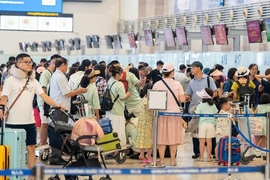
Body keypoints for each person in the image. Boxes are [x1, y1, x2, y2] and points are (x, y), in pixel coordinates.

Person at [0, 53, 66, 170]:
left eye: (30, 62)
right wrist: (1, 108)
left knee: (31, 148)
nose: (29, 64)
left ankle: (31, 176)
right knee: (14, 150)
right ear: (18, 63)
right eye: (26, 62)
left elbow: (44, 96)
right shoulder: (10, 81)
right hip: (13, 122)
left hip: (29, 121)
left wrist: (57, 105)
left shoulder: (33, 81)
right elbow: (4, 97)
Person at [49, 57, 88, 165]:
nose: (67, 68)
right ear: (62, 65)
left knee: (59, 133)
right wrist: (79, 91)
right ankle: (55, 157)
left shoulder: (55, 75)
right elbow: (67, 93)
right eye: (66, 65)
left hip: (59, 107)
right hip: (60, 108)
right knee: (59, 133)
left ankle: (57, 155)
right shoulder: (60, 77)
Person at [153, 62, 186, 166]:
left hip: (161, 114)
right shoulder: (177, 84)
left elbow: (152, 100)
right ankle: (172, 160)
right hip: (174, 114)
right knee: (173, 137)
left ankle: (162, 160)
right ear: (172, 73)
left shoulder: (157, 84)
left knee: (161, 138)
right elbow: (182, 99)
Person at [186, 61, 217, 159]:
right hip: (195, 108)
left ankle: (212, 152)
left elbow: (215, 92)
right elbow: (189, 94)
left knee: (209, 130)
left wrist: (208, 99)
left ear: (198, 68)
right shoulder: (191, 82)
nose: (191, 70)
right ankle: (197, 152)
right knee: (195, 131)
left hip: (207, 108)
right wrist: (187, 97)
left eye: (192, 68)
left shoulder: (208, 79)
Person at [37, 55, 59, 146]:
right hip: (44, 102)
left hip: (48, 102)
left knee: (47, 124)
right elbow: (43, 88)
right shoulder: (46, 73)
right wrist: (45, 102)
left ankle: (45, 143)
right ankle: (42, 144)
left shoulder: (52, 73)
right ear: (53, 63)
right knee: (44, 123)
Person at [106, 66, 131, 146]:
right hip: (118, 110)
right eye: (121, 73)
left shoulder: (110, 81)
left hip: (109, 110)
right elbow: (122, 97)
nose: (122, 75)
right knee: (119, 130)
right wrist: (128, 94)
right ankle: (118, 147)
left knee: (111, 129)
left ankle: (110, 146)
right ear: (117, 74)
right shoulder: (119, 84)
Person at [195, 88, 218, 162]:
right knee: (209, 141)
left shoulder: (200, 105)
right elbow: (216, 115)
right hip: (211, 125)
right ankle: (208, 157)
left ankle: (201, 157)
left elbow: (197, 114)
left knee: (201, 141)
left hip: (202, 124)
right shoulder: (213, 105)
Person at [135, 83, 154, 163]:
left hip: (142, 122)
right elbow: (151, 110)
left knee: (143, 138)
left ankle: (142, 154)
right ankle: (148, 154)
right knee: (151, 138)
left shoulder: (142, 99)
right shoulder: (149, 101)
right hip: (149, 122)